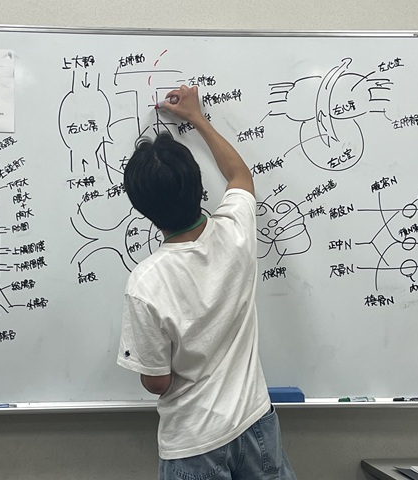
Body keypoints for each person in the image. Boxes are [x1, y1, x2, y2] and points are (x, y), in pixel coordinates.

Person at [117, 85, 296, 480]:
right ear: (199, 186)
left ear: (141, 207)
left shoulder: (146, 282)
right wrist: (197, 118)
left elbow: (158, 381)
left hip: (193, 441)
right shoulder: (235, 231)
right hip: (256, 422)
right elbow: (239, 175)